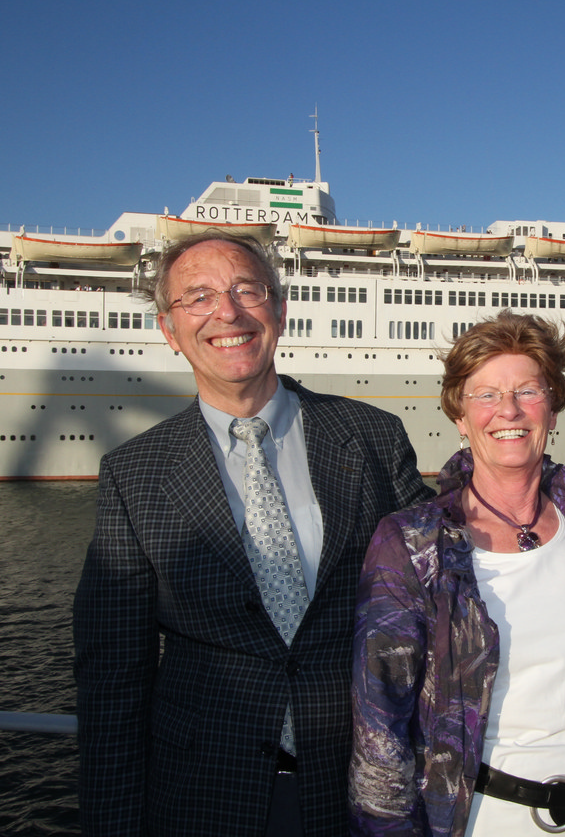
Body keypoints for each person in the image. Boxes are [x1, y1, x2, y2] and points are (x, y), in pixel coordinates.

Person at [73, 233, 433, 837]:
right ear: (169, 330)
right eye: (198, 297)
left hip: (362, 787)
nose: (227, 312)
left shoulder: (372, 435)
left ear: (280, 310)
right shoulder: (134, 473)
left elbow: (443, 576)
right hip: (204, 795)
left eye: (247, 289)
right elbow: (112, 674)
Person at [349, 310, 565, 836]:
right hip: (480, 820)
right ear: (460, 416)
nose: (508, 410)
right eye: (486, 395)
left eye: (528, 391)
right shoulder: (413, 543)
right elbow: (379, 727)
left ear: (553, 407)